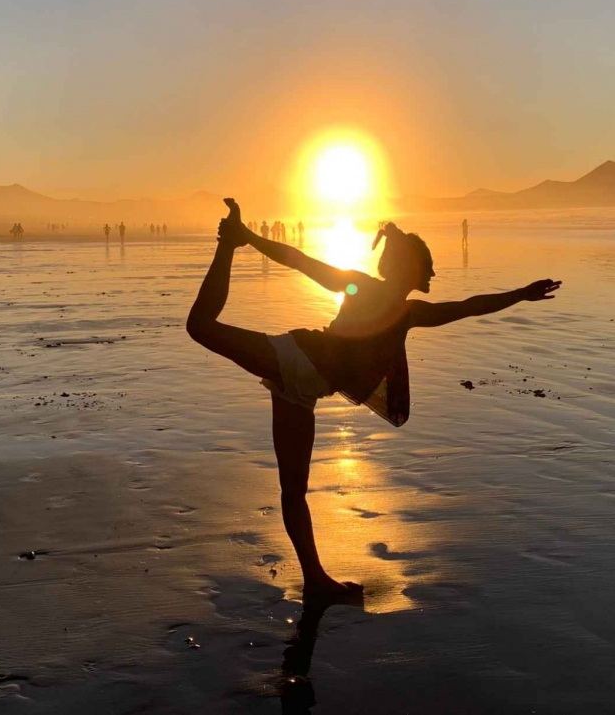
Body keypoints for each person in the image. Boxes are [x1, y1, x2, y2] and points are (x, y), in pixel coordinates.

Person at [186, 198, 561, 602]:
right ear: (409, 267)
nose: (434, 271)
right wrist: (248, 239)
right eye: (428, 264)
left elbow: (468, 308)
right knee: (200, 327)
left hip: (302, 388)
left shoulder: (408, 312)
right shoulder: (365, 288)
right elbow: (300, 260)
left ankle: (315, 581)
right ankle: (229, 242)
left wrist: (520, 294)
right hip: (295, 357)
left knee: (294, 489)